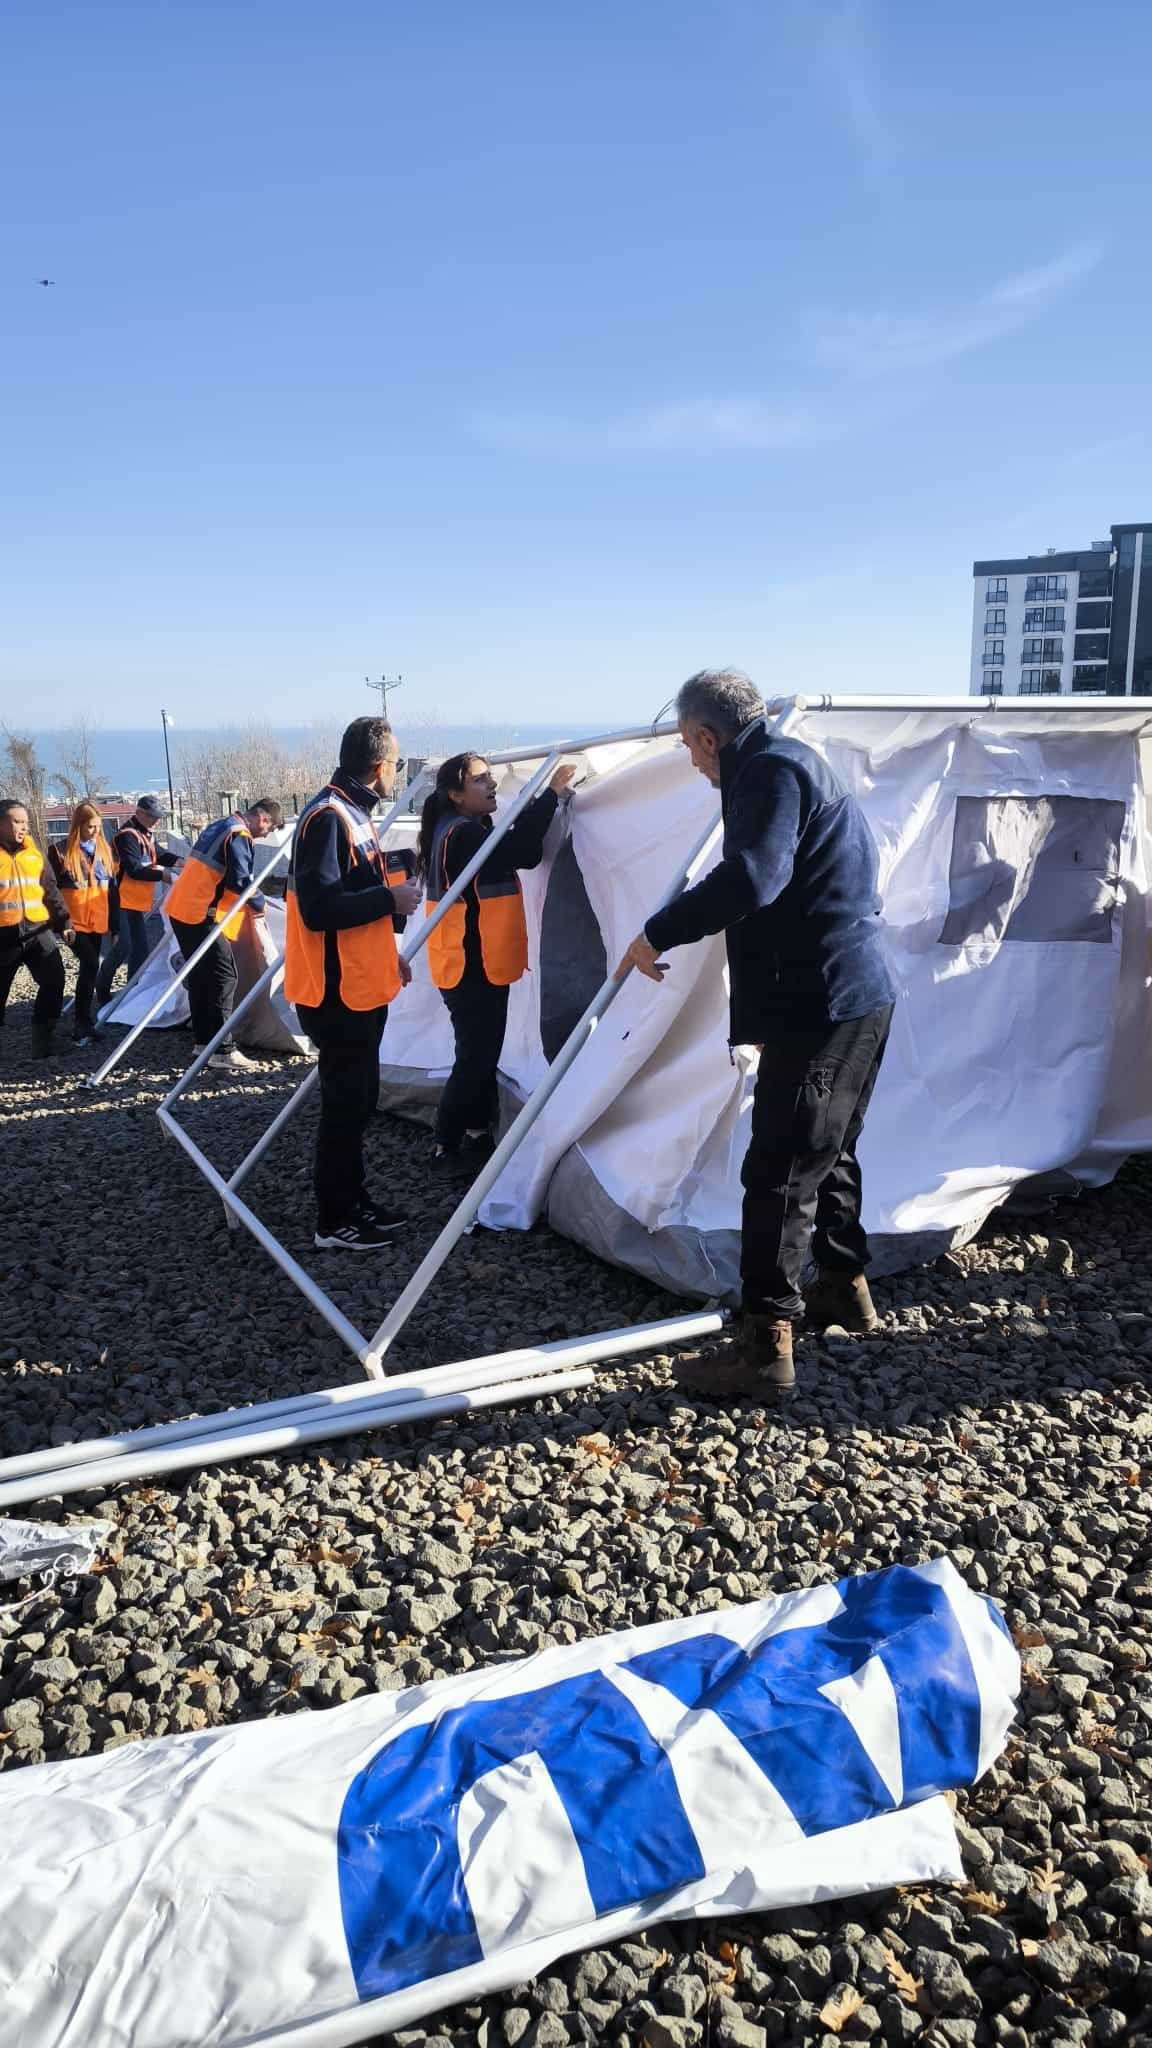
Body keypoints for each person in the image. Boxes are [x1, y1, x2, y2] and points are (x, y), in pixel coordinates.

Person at [619, 669, 897, 1396]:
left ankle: (764, 1344)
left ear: (710, 736)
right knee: (828, 1150)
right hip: (853, 992)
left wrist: (658, 931)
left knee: (779, 1167)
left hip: (825, 998)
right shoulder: (794, 760)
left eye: (689, 745)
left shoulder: (769, 771)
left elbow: (752, 879)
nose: (690, 760)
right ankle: (843, 1285)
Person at [284, 716, 422, 1251]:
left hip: (360, 986)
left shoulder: (351, 813)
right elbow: (320, 910)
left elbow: (350, 894)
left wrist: (387, 954)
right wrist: (391, 901)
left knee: (359, 1101)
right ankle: (333, 1220)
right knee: (344, 1107)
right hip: (335, 995)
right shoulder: (328, 817)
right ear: (381, 765)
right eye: (395, 763)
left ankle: (353, 1200)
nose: (395, 773)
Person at [418, 752, 576, 1162]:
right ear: (455, 794)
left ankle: (474, 1130)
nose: (490, 785)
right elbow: (524, 852)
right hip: (474, 963)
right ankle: (447, 1140)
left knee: (477, 1050)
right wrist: (551, 794)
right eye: (480, 780)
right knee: (477, 1055)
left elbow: (510, 844)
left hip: (462, 959)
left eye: (490, 778)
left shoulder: (453, 830)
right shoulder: (465, 835)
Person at [165, 797, 284, 1070]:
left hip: (182, 908)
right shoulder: (238, 835)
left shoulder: (220, 826)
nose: (265, 835)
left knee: (200, 976)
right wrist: (260, 903)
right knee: (224, 976)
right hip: (199, 912)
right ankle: (223, 1049)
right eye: (269, 829)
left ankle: (204, 1043)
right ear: (263, 818)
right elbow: (241, 882)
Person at [0, 798, 76, 1057]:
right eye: (17, 822)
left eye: (26, 822)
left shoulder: (34, 853)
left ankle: (43, 1041)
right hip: (4, 937)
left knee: (54, 981)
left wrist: (64, 921)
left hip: (37, 931)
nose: (23, 827)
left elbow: (50, 890)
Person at [95, 795, 179, 1007]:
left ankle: (133, 992)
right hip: (121, 899)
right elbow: (134, 869)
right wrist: (164, 875)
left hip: (135, 901)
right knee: (123, 947)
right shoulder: (127, 836)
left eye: (158, 817)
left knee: (140, 949)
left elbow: (158, 855)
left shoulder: (144, 834)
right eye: (152, 816)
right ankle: (102, 989)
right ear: (139, 813)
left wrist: (182, 862)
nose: (156, 821)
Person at [55, 800, 115, 1047]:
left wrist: (116, 926)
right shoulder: (59, 852)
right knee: (90, 963)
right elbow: (51, 891)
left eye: (98, 827)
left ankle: (83, 1021)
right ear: (78, 826)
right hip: (74, 923)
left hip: (97, 921)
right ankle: (82, 1022)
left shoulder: (103, 851)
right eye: (91, 827)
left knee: (89, 969)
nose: (95, 832)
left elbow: (113, 890)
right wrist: (62, 922)